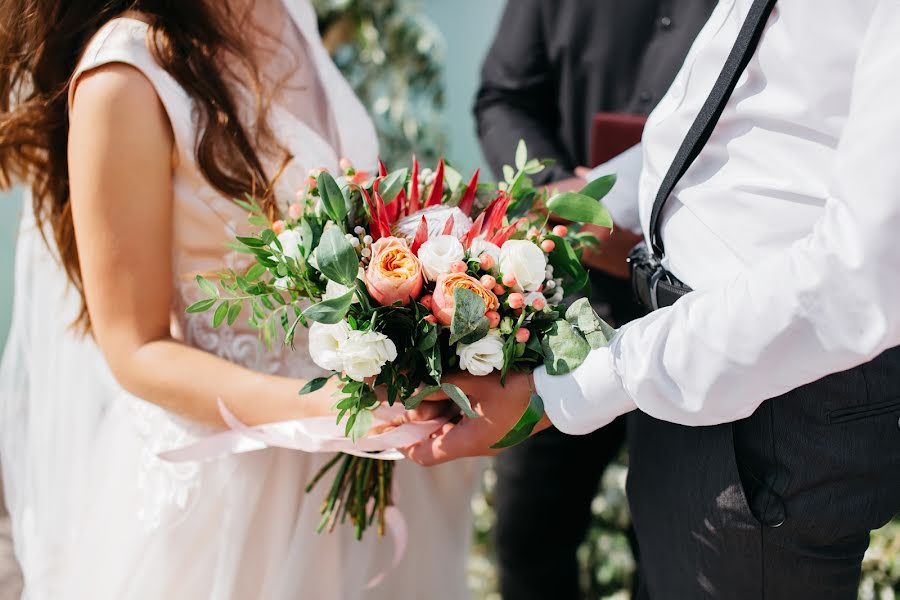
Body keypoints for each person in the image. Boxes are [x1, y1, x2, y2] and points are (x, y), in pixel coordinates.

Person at [407, 1, 900, 598]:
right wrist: (571, 206)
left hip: (770, 403)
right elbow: (744, 129)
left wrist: (565, 389)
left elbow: (860, 276)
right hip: (683, 365)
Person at [0, 1, 479, 598]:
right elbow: (134, 347)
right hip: (234, 489)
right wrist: (323, 413)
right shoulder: (124, 74)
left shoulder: (287, 10)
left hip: (363, 458)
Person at [473, 1, 715, 597]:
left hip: (703, 314)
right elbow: (504, 95)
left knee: (685, 552)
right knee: (528, 536)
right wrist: (564, 201)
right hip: (560, 302)